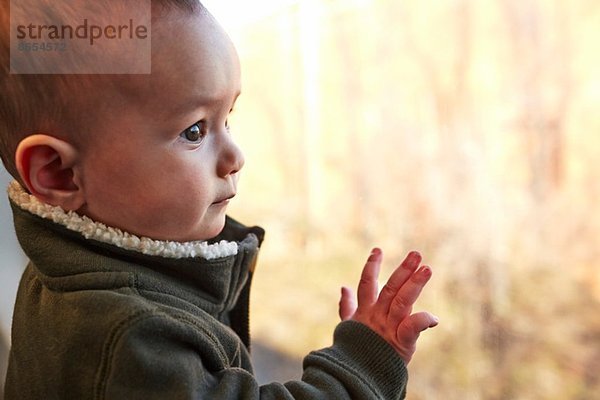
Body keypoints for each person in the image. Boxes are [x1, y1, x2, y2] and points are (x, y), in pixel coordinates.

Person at [0, 1, 438, 398]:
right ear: (58, 173)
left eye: (227, 117)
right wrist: (358, 370)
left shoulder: (76, 276)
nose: (235, 156)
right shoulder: (129, 337)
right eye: (194, 131)